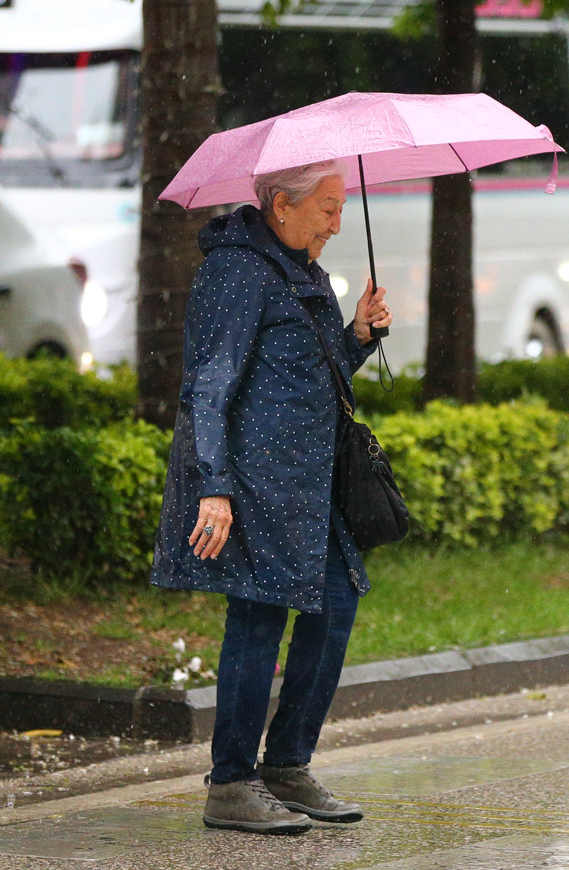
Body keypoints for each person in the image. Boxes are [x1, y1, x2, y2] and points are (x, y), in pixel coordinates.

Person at [151, 158, 392, 835]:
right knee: (257, 624)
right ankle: (230, 782)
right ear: (280, 207)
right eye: (326, 205)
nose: (337, 219)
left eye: (342, 204)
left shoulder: (304, 271)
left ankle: (286, 766)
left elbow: (312, 377)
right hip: (253, 485)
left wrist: (358, 339)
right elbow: (208, 384)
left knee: (334, 607)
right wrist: (215, 488)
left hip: (308, 488)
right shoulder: (237, 270)